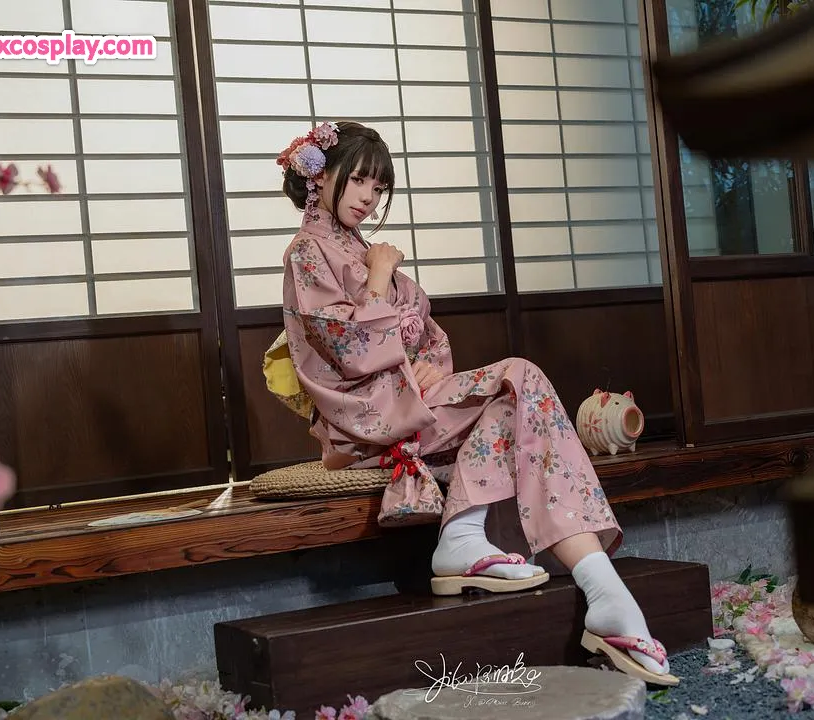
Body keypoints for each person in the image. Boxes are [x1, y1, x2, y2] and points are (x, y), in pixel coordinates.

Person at [278, 120, 677, 687]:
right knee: (520, 376)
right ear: (319, 177)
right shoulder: (307, 252)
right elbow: (350, 347)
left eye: (378, 186)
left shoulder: (358, 246)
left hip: (406, 399)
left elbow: (426, 337)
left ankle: (473, 540)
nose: (369, 197)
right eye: (359, 180)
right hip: (364, 418)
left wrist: (428, 365)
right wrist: (381, 275)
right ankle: (601, 590)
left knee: (512, 403)